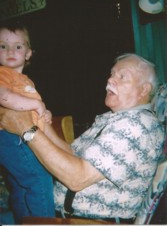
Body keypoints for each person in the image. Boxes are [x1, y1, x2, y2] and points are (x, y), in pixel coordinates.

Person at [0, 53, 165, 224]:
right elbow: (71, 153)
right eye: (112, 74)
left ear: (144, 90)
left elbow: (77, 179)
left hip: (86, 222)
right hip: (56, 215)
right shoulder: (112, 120)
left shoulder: (137, 125)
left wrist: (27, 129)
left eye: (122, 76)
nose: (110, 80)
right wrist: (38, 119)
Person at [0, 22, 56, 224]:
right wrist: (36, 104)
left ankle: (24, 220)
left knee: (20, 184)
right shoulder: (3, 74)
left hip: (18, 134)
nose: (10, 51)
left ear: (29, 53)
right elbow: (4, 97)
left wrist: (43, 111)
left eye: (18, 46)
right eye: (3, 46)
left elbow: (29, 106)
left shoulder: (24, 80)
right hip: (8, 135)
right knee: (38, 179)